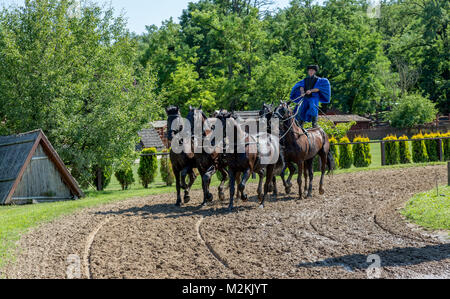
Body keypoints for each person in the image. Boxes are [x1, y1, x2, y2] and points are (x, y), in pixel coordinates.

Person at [290, 65, 331, 130]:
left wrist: (311, 91)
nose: (311, 71)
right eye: (310, 70)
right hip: (305, 98)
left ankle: (314, 123)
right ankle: (300, 124)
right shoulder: (305, 79)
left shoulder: (319, 80)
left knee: (313, 107)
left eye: (312, 70)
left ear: (315, 71)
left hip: (313, 97)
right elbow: (301, 86)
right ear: (308, 72)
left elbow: (318, 88)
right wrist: (302, 92)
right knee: (300, 108)